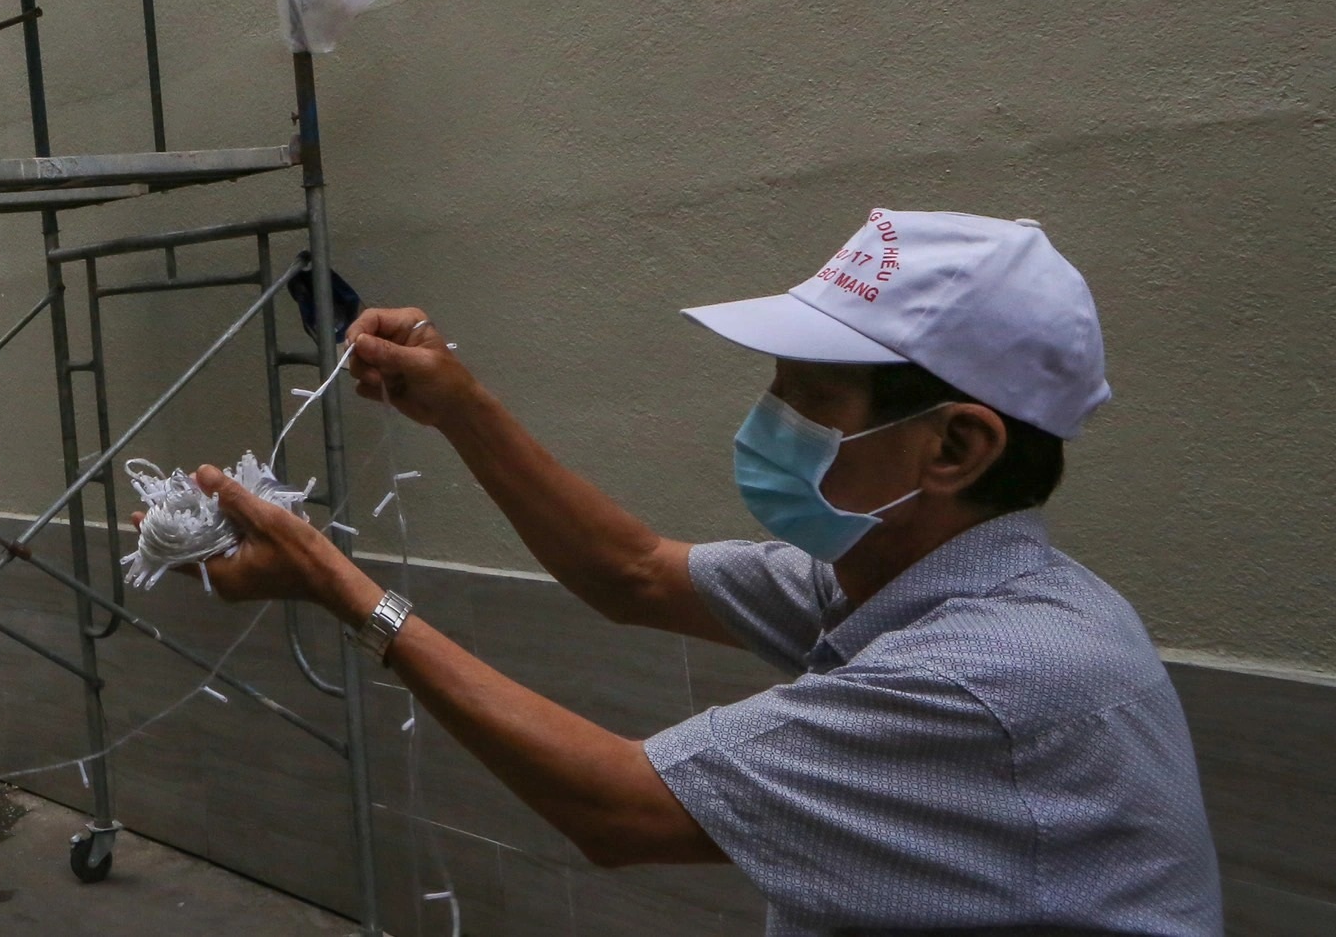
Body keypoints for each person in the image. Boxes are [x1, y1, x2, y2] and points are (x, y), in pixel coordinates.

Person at [189, 210, 1222, 935]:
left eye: (809, 395)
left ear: (953, 447)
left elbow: (616, 806)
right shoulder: (886, 574)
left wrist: (337, 584)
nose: (767, 419)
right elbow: (631, 572)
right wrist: (456, 402)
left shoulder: (991, 673)